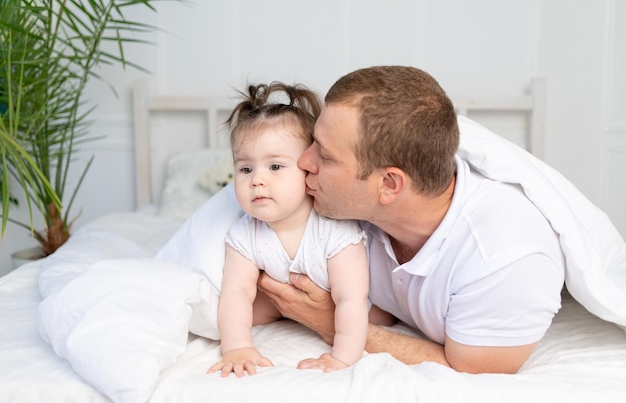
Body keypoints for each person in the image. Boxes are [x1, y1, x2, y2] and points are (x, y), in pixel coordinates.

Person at [257, 66, 566, 374]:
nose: (303, 161)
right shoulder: (345, 209)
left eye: (325, 156)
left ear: (389, 185)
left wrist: (332, 323)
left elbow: (471, 370)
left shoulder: (505, 258)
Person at [207, 82, 370, 378]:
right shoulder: (247, 232)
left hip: (344, 303)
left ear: (309, 167)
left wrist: (341, 359)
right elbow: (236, 293)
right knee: (231, 310)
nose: (256, 180)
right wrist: (237, 348)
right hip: (282, 305)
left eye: (275, 167)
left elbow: (350, 299)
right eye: (245, 169)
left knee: (374, 311)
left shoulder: (334, 230)